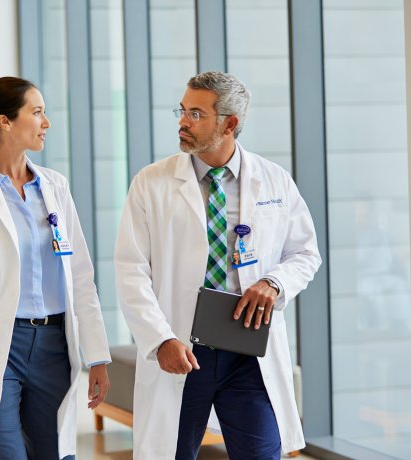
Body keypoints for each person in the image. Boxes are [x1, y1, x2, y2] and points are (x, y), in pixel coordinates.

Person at [114, 71, 321, 459]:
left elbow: (306, 253)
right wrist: (159, 338)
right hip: (181, 348)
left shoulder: (274, 181)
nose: (182, 121)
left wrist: (274, 283)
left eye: (196, 114)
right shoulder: (151, 183)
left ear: (230, 124)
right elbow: (131, 270)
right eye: (182, 110)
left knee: (262, 452)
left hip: (247, 350)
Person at [0, 76, 111, 460]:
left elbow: (80, 276)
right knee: (4, 452)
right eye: (38, 112)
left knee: (52, 452)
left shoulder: (55, 188)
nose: (47, 122)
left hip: (54, 346)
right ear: (5, 122)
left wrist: (97, 356)